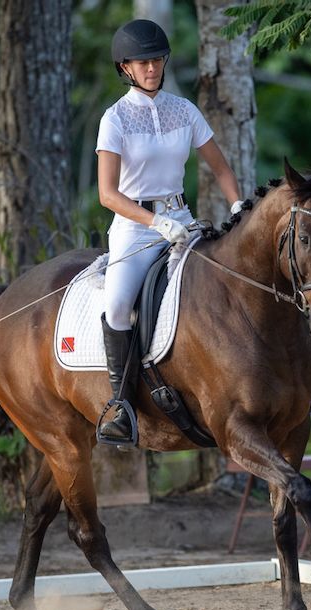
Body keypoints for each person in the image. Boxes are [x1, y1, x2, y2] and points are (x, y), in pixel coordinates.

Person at [95, 18, 243, 445]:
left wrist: (236, 204)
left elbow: (220, 167)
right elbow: (107, 193)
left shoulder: (184, 110)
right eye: (142, 63)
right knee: (119, 305)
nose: (152, 68)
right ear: (125, 67)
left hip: (182, 220)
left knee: (234, 278)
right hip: (135, 228)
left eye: (157, 60)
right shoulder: (115, 119)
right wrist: (154, 222)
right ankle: (120, 406)